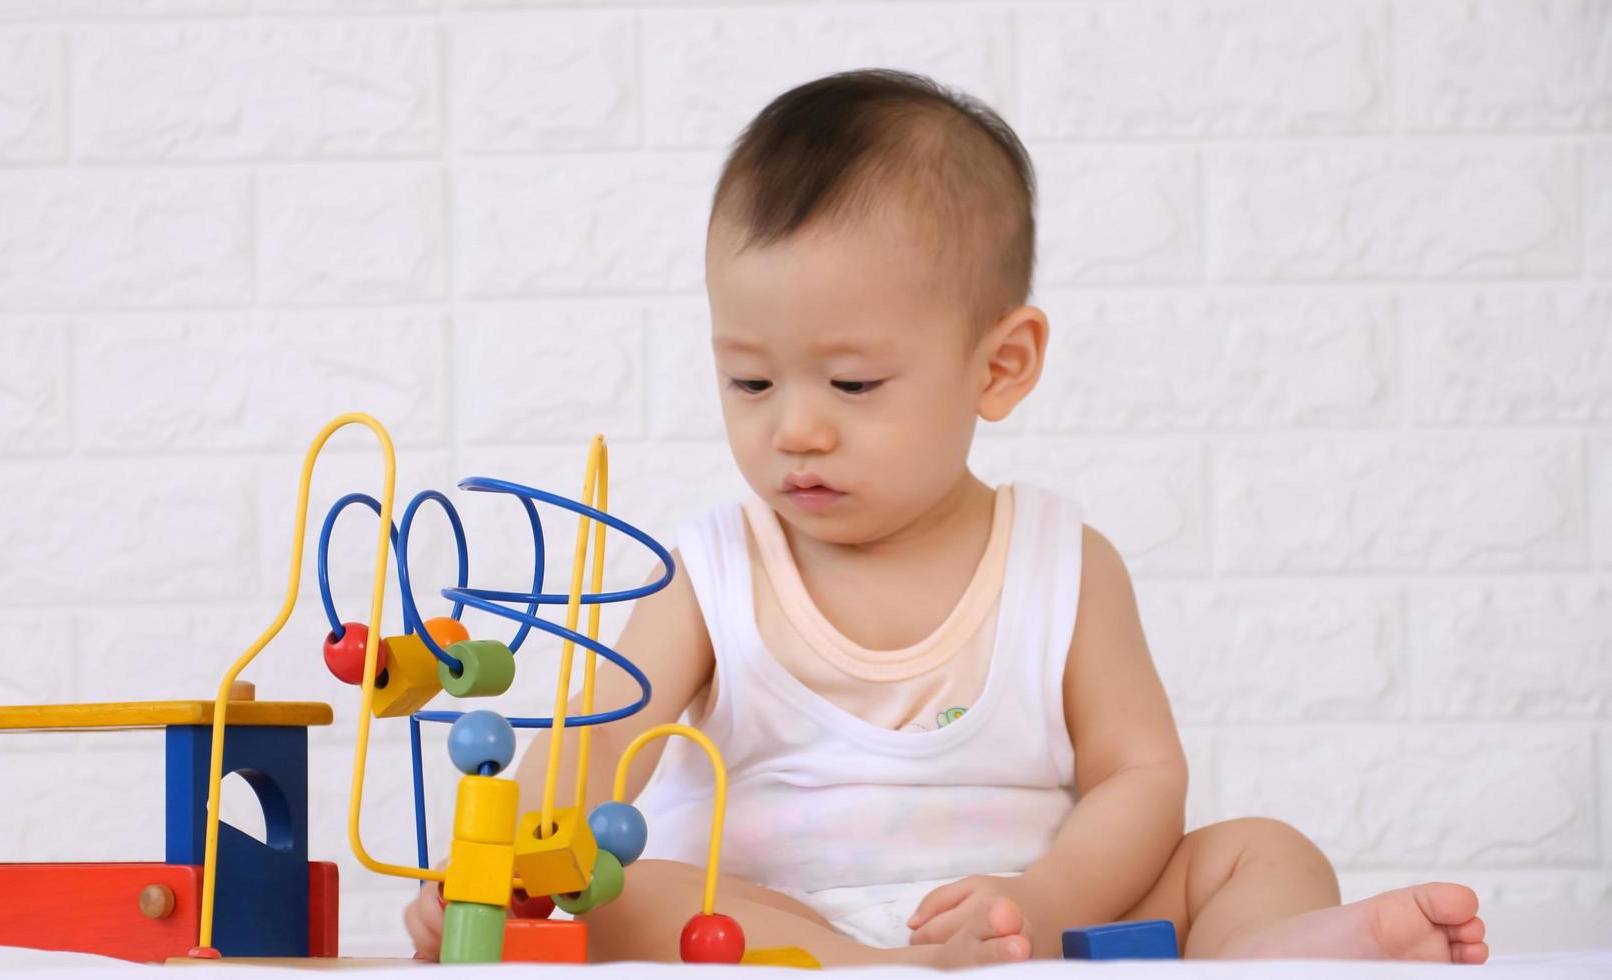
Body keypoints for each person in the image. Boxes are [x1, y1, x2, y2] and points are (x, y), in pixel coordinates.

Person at [404, 69, 1488, 967]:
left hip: (1025, 918)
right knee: (622, 892)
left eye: (852, 385)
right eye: (749, 383)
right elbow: (588, 751)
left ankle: (1285, 949)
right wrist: (496, 873)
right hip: (772, 922)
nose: (794, 431)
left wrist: (1050, 895)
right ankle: (872, 974)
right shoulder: (710, 568)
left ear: (999, 365)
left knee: (1259, 849)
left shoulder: (1062, 563)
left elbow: (1139, 773)